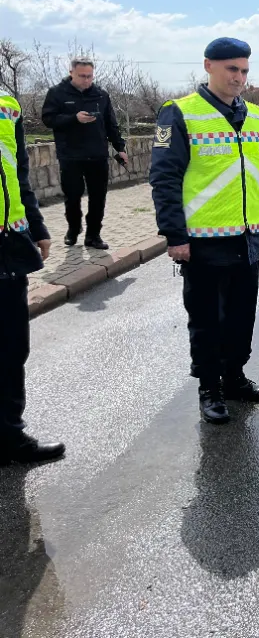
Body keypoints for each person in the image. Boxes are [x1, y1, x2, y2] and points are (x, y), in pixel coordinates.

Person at [150, 38, 259, 425]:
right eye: (231, 69)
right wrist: (175, 235)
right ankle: (210, 387)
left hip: (247, 236)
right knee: (208, 318)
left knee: (242, 315)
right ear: (208, 66)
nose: (239, 78)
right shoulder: (179, 112)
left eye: (243, 70)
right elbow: (164, 177)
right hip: (203, 239)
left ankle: (235, 378)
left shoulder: (255, 115)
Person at [0, 94, 64, 465]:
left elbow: (18, 174)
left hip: (10, 244)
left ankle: (9, 436)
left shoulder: (7, 106)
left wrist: (37, 227)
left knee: (11, 348)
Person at [41, 58, 128, 250]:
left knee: (98, 197)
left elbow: (111, 124)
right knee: (72, 196)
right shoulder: (57, 93)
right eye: (82, 76)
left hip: (97, 155)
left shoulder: (101, 95)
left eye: (90, 76)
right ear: (71, 72)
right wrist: (74, 118)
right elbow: (48, 119)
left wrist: (120, 148)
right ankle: (73, 229)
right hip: (70, 155)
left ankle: (93, 236)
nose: (86, 80)